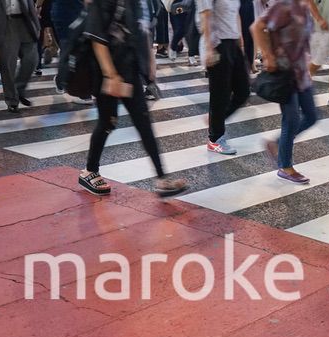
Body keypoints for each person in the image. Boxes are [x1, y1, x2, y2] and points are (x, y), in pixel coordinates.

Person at [80, 0, 187, 197]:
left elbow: (141, 33)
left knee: (143, 123)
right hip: (107, 72)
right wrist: (111, 75)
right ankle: (89, 171)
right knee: (107, 122)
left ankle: (162, 179)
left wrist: (149, 64)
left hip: (129, 70)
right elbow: (97, 40)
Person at [253, 0, 317, 184]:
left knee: (311, 116)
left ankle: (277, 143)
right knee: (292, 119)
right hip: (285, 73)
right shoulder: (283, 6)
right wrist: (268, 56)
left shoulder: (303, 7)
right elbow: (257, 27)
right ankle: (285, 166)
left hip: (301, 72)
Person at [197, 0, 250, 155]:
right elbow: (205, 16)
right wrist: (209, 48)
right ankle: (214, 139)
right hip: (217, 43)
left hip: (233, 43)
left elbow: (236, 14)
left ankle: (215, 119)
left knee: (243, 91)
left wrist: (240, 41)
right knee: (220, 95)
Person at [0, 0, 41, 113]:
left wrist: (36, 20)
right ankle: (12, 100)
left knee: (32, 59)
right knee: (8, 64)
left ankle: (19, 88)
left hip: (25, 20)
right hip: (3, 22)